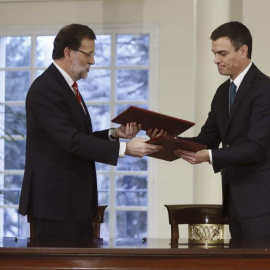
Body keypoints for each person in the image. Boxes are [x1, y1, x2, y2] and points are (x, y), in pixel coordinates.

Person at [18, 23, 162, 239]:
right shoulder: (45, 88)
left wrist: (115, 134)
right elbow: (72, 142)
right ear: (68, 53)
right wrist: (125, 149)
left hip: (74, 204)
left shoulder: (67, 87)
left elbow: (78, 138)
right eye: (89, 54)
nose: (92, 61)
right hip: (55, 207)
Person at [150, 21, 270, 242]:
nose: (216, 60)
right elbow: (206, 139)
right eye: (214, 53)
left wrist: (209, 156)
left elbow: (257, 150)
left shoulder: (265, 90)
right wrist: (168, 140)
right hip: (234, 203)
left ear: (243, 51)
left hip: (263, 206)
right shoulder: (223, 91)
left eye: (222, 53)